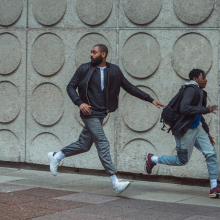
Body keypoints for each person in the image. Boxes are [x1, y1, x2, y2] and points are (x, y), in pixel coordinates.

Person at [48, 44, 165, 195]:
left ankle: (56, 156)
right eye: (90, 52)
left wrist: (150, 99)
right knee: (103, 142)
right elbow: (70, 87)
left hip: (101, 113)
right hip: (89, 112)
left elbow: (129, 87)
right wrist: (79, 102)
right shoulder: (84, 69)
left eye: (94, 52)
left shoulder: (114, 70)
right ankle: (115, 181)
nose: (91, 54)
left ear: (103, 54)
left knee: (84, 145)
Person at [145, 69, 219, 198]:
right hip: (186, 130)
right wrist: (207, 109)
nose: (206, 80)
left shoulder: (200, 92)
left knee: (211, 153)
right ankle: (153, 159)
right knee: (181, 160)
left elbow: (198, 114)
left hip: (198, 128)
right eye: (203, 77)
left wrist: (207, 132)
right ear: (195, 79)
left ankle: (214, 187)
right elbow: (185, 108)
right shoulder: (191, 89)